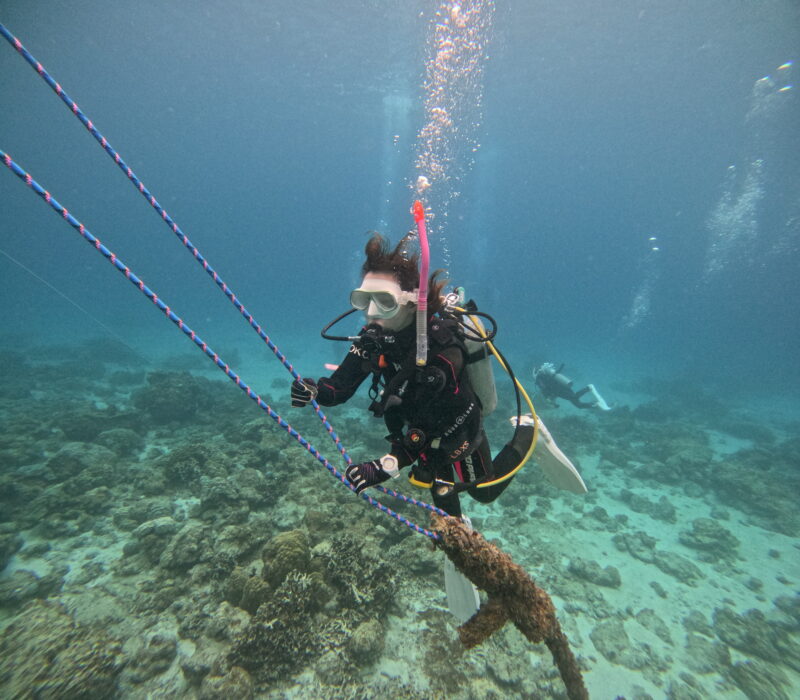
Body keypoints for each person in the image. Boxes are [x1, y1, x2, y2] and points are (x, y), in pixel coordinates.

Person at [290, 233, 533, 518]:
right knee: (442, 495)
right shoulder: (373, 339)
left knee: (483, 491)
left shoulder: (441, 347)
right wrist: (314, 391)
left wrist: (389, 464)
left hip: (457, 428)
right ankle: (456, 532)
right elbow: (339, 389)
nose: (370, 313)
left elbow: (453, 416)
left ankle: (529, 432)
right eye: (364, 300)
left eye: (384, 301)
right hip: (416, 433)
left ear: (411, 301)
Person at [532, 362, 611, 411]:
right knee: (579, 405)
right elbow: (549, 392)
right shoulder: (542, 378)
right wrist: (553, 403)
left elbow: (546, 392)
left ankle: (589, 387)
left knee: (575, 397)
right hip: (563, 390)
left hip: (562, 391)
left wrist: (551, 402)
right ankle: (596, 404)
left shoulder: (539, 380)